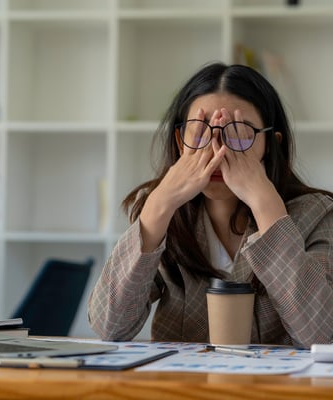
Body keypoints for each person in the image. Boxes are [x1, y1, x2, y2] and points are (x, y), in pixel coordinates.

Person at [88, 62, 333, 348]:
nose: (217, 150)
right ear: (181, 142)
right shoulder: (164, 214)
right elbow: (109, 327)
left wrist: (266, 205)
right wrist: (158, 205)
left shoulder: (318, 213)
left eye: (238, 132)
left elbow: (322, 336)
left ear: (271, 144)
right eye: (200, 131)